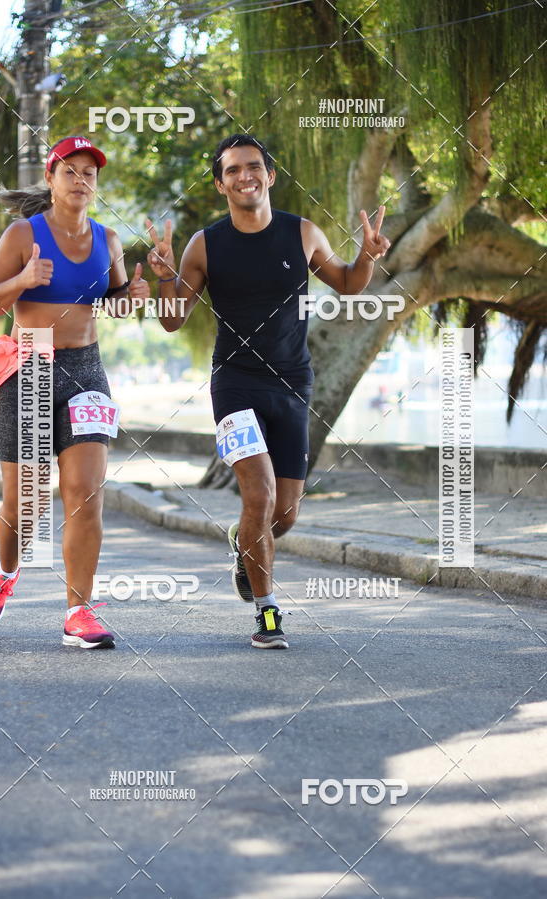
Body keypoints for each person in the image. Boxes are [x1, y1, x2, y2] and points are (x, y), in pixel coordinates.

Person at [146, 133, 390, 650]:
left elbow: (348, 284)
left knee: (284, 514)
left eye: (252, 167)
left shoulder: (302, 234)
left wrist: (367, 256)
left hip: (292, 384)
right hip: (234, 384)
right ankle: (267, 613)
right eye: (232, 170)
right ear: (220, 184)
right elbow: (172, 321)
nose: (244, 176)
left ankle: (244, 547)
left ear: (270, 175)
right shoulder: (204, 245)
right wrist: (167, 278)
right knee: (258, 496)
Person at [0, 135, 150, 649]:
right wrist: (21, 279)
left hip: (87, 369)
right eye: (71, 171)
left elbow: (115, 304)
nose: (81, 180)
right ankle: (4, 572)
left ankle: (78, 613)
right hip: (31, 366)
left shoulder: (107, 240)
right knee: (27, 507)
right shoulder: (24, 234)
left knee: (85, 496)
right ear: (52, 178)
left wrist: (136, 295)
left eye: (90, 172)